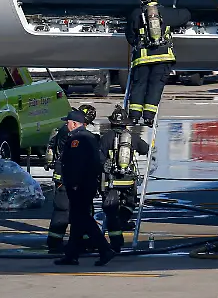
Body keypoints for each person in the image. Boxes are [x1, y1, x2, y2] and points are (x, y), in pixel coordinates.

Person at [54, 110, 116, 266]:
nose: (66, 125)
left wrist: (74, 183)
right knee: (76, 220)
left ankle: (105, 249)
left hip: (79, 186)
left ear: (74, 124)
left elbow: (77, 165)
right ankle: (71, 255)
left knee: (83, 218)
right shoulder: (87, 137)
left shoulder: (78, 139)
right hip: (85, 184)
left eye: (68, 122)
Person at [125, 0, 192, 126]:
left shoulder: (135, 14)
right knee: (155, 86)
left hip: (142, 58)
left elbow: (130, 35)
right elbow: (185, 15)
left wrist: (137, 43)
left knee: (139, 85)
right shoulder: (167, 13)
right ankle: (149, 117)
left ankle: (134, 116)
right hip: (163, 57)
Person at [46, 105, 97, 253]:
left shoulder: (75, 134)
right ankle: (56, 243)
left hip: (70, 179)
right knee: (64, 210)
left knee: (77, 213)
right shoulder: (72, 135)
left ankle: (80, 244)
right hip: (67, 179)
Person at [99, 106, 150, 253]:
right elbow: (145, 149)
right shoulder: (132, 137)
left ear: (112, 123)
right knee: (130, 203)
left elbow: (98, 158)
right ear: (125, 124)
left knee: (111, 212)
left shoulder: (105, 138)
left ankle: (116, 240)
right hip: (128, 181)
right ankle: (123, 220)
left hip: (110, 181)